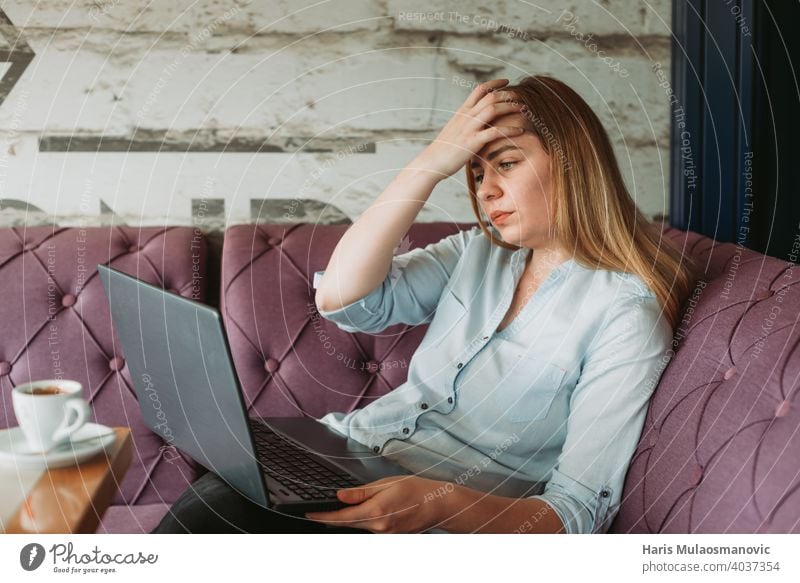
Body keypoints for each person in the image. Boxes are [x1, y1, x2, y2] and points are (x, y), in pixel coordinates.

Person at [153, 75, 697, 535]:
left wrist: (438, 503)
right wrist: (431, 164)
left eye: (505, 164)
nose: (484, 190)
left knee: (206, 522)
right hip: (345, 444)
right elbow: (344, 299)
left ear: (574, 163)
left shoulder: (625, 312)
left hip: (430, 513)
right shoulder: (477, 253)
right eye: (477, 172)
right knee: (215, 497)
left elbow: (577, 512)